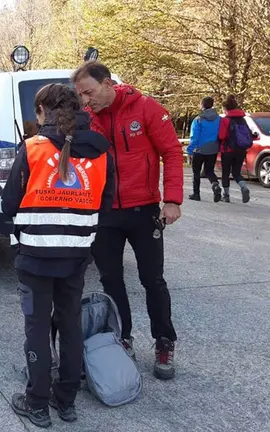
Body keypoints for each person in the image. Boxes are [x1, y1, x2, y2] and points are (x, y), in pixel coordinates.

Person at [2, 83, 114, 427]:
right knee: (70, 326)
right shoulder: (100, 151)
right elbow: (105, 204)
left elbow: (9, 203)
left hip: (35, 256)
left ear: (42, 112)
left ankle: (36, 403)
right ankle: (65, 401)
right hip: (76, 255)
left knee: (36, 328)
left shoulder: (33, 148)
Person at [71, 60, 183, 380]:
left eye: (89, 92)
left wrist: (172, 200)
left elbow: (172, 152)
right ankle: (122, 337)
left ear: (107, 83)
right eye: (80, 95)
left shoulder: (145, 108)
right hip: (104, 212)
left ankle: (164, 341)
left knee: (152, 280)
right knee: (111, 280)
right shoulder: (87, 119)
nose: (85, 100)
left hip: (144, 209)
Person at [187, 96, 223, 202]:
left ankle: (196, 194)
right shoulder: (219, 119)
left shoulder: (198, 119)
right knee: (209, 171)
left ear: (202, 105)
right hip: (213, 149)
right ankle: (215, 185)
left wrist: (190, 150)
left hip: (199, 149)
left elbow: (194, 137)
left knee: (196, 172)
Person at [218, 95, 251, 203]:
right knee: (236, 172)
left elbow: (222, 136)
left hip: (227, 150)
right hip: (241, 150)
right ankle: (243, 187)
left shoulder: (225, 120)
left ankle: (226, 195)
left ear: (225, 108)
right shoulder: (243, 120)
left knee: (225, 173)